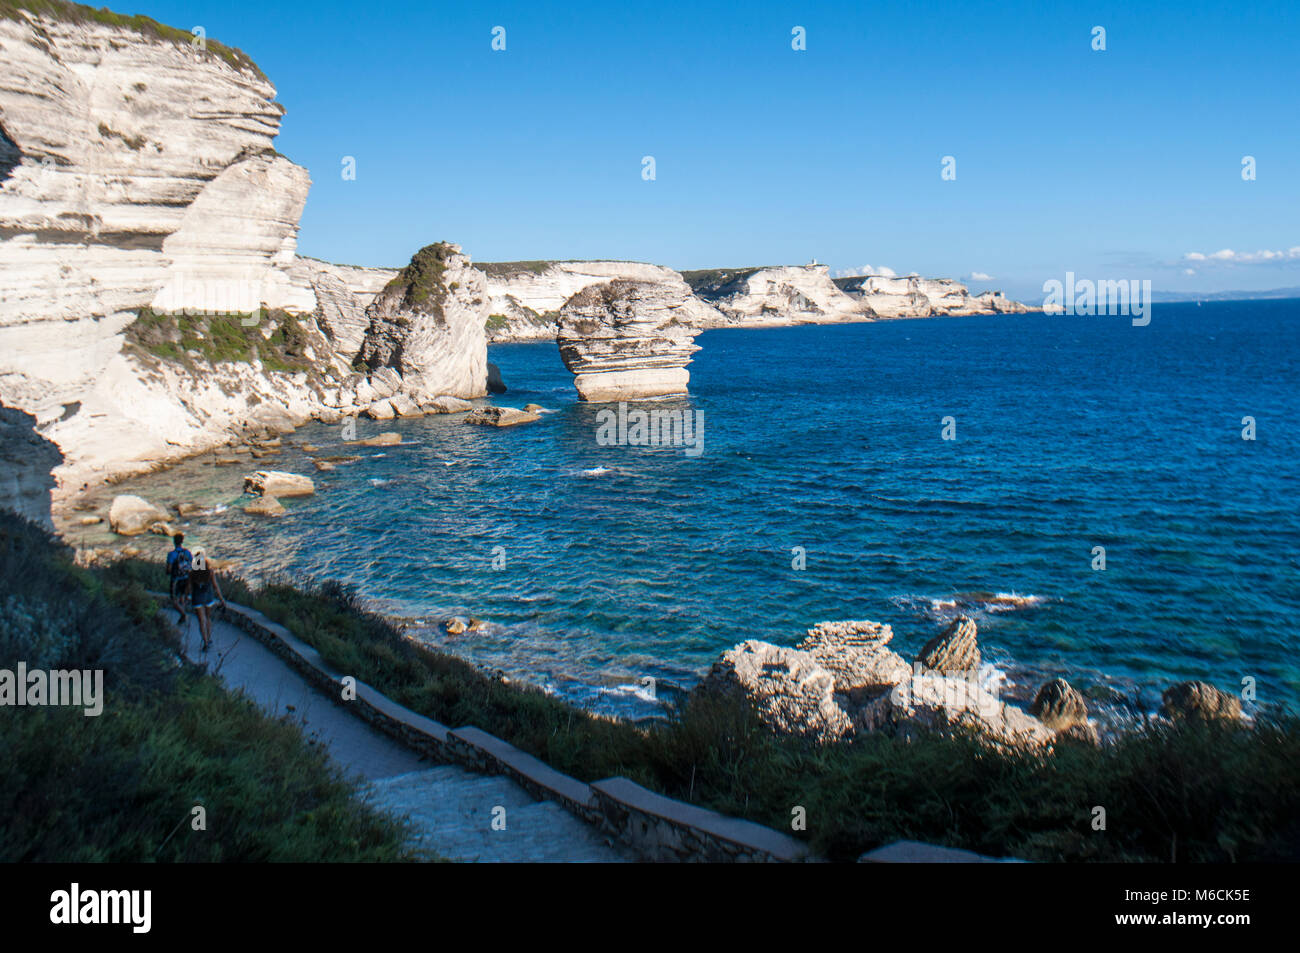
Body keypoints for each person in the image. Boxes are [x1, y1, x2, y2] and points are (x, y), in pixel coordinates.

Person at [186, 550, 227, 653]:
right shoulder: (210, 572)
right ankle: (209, 639)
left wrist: (186, 596)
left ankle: (205, 642)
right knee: (208, 618)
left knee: (201, 620)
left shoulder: (192, 573)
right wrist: (222, 599)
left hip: (197, 598)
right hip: (208, 597)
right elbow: (215, 586)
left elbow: (189, 587)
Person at [165, 533, 192, 625]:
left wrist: (168, 572)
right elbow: (191, 565)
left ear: (174, 541)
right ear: (182, 541)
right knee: (182, 598)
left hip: (176, 579)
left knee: (173, 600)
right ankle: (183, 616)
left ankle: (183, 614)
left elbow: (169, 569)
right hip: (186, 578)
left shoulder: (171, 554)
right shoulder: (187, 552)